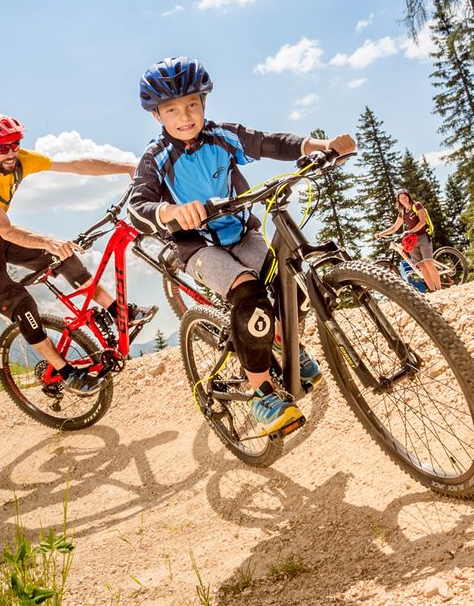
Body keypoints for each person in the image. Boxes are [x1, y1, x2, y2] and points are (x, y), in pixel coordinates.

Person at [127, 57, 356, 436]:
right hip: (197, 246)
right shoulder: (155, 158)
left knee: (292, 284)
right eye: (172, 110)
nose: (184, 116)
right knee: (249, 293)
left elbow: (269, 142)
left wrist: (323, 145)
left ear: (203, 103)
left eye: (192, 105)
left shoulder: (223, 136)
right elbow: (138, 205)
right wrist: (171, 211)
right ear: (157, 116)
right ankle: (262, 393)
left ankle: (287, 346)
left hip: (241, 231)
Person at [0, 113, 156, 396]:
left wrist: (127, 167)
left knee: (65, 257)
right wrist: (47, 241)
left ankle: (118, 311)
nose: (10, 152)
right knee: (20, 303)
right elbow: (6, 229)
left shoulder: (21, 159)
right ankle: (65, 371)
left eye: (14, 144)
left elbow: (76, 165)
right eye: (1, 148)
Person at [378, 189, 440, 290]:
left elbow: (422, 222)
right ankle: (433, 290)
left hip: (423, 236)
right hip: (412, 241)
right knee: (421, 266)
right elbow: (394, 227)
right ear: (399, 201)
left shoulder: (417, 205)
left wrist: (411, 231)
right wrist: (381, 233)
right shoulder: (402, 213)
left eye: (405, 197)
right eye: (401, 198)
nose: (404, 200)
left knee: (428, 263)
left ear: (408, 197)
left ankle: (439, 289)